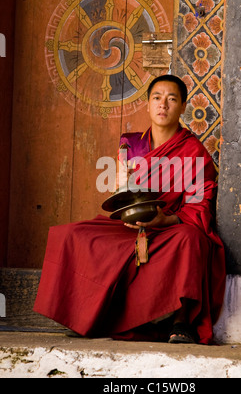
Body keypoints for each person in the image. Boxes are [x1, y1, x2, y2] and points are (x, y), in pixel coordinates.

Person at [34, 75, 226, 345]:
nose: (163, 105)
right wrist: (122, 187)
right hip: (131, 224)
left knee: (191, 240)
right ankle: (88, 317)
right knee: (71, 235)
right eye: (157, 98)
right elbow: (122, 193)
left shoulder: (193, 151)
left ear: (183, 106)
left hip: (169, 228)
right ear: (147, 105)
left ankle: (181, 322)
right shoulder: (131, 144)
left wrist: (166, 218)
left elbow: (200, 203)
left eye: (172, 99)